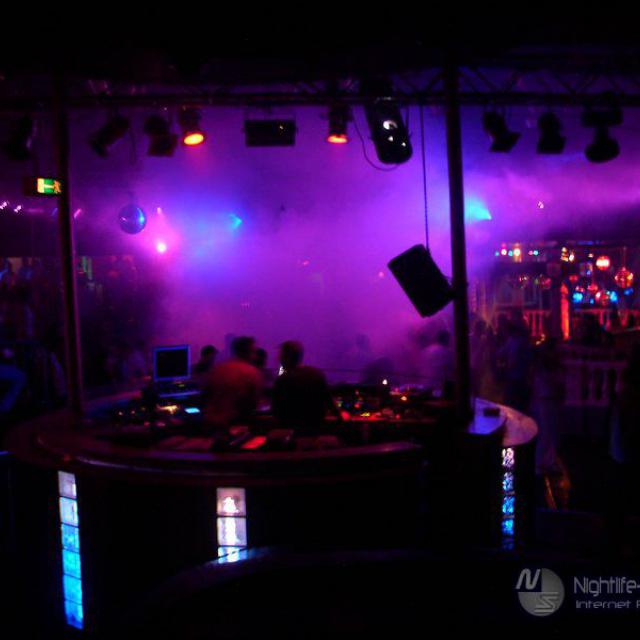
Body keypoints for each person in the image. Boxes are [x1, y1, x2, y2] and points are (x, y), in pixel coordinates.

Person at [272, 341, 338, 432]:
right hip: (315, 431)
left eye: (280, 356)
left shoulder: (282, 380)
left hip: (290, 433)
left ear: (287, 357)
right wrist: (341, 416)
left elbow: (275, 410)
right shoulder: (317, 374)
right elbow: (330, 403)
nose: (278, 358)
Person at [202, 336, 261, 428]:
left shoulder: (218, 368)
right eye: (254, 352)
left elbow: (206, 394)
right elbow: (253, 403)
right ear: (248, 352)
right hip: (233, 425)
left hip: (210, 420)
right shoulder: (252, 372)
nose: (256, 356)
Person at [421, 330, 455, 395]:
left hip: (425, 383)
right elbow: (451, 370)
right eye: (449, 340)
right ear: (446, 339)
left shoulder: (426, 350)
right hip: (439, 386)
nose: (450, 342)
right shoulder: (447, 352)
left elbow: (420, 367)